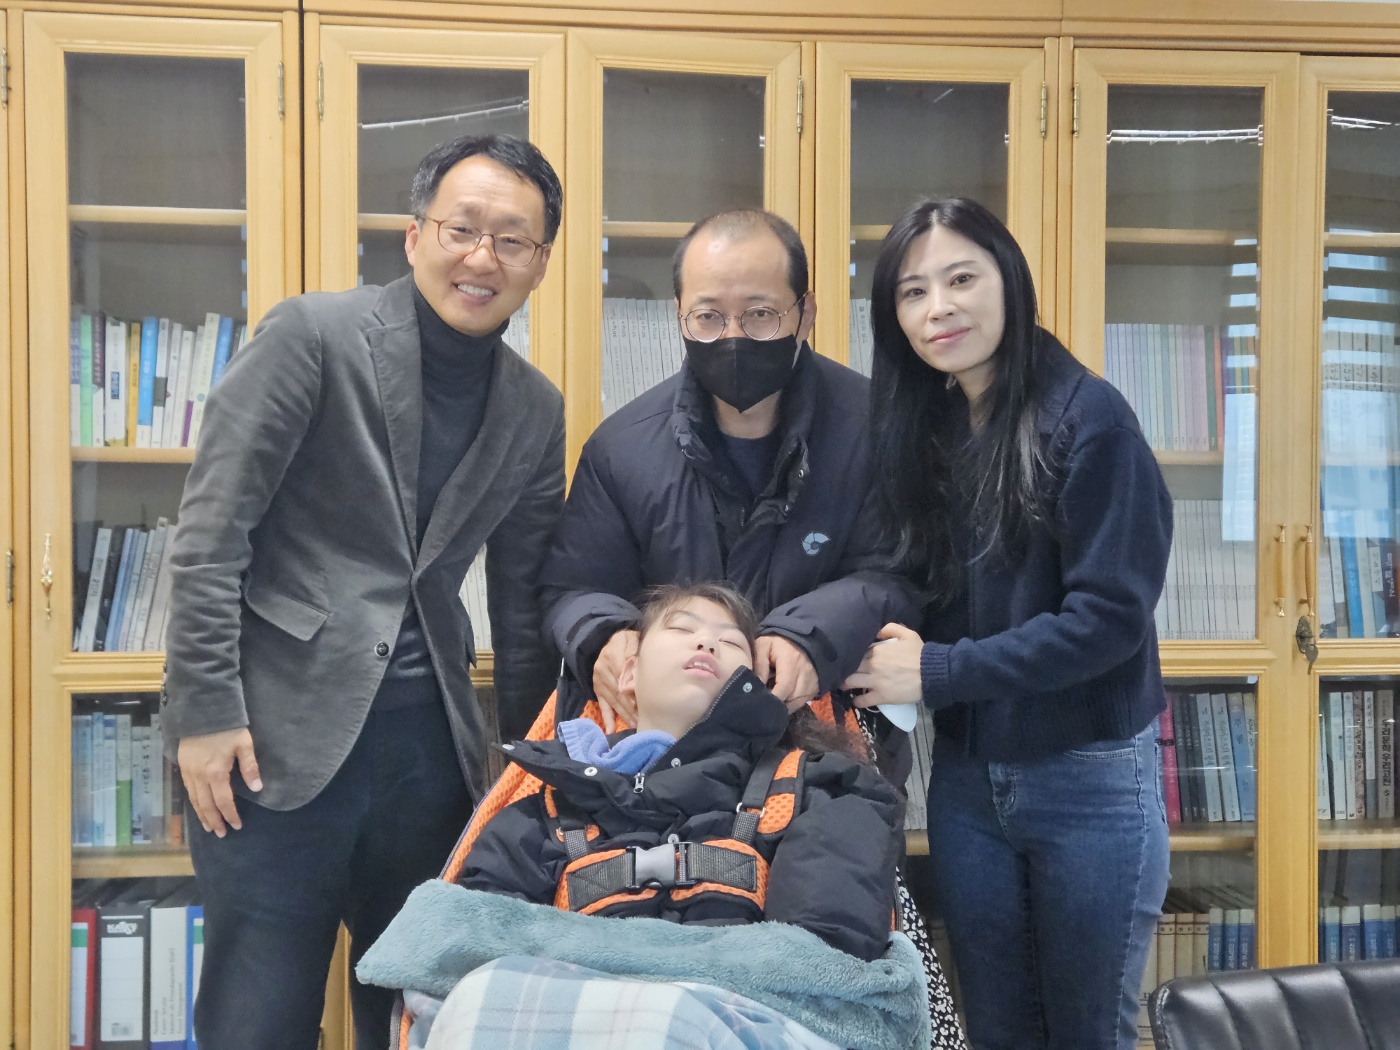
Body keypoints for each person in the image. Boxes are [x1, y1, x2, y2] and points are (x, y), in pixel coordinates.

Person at [160, 133, 566, 1050]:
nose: (483, 258)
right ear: (415, 234)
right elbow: (211, 536)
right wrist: (204, 713)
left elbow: (525, 606)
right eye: (463, 229)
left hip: (431, 758)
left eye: (512, 240)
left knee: (411, 1015)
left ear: (540, 263)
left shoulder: (536, 408)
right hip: (271, 746)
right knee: (258, 1020)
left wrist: (532, 775)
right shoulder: (313, 337)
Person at [843, 196, 1173, 1050]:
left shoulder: (1090, 420)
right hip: (968, 779)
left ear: (1010, 282)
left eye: (962, 279)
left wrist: (938, 672)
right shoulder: (932, 425)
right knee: (995, 1030)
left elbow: (1108, 620)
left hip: (1089, 776)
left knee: (1085, 1032)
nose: (939, 308)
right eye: (913, 292)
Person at [541, 208, 916, 735]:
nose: (733, 336)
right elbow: (572, 588)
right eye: (708, 316)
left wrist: (810, 636)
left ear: (806, 313)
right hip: (663, 754)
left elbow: (903, 576)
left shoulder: (879, 432)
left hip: (828, 741)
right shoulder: (620, 450)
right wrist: (602, 634)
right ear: (679, 315)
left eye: (761, 314)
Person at [459, 582, 903, 963]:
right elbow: (476, 958)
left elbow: (821, 964)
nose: (706, 643)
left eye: (731, 643)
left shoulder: (818, 792)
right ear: (627, 673)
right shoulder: (542, 814)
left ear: (763, 685)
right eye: (681, 629)